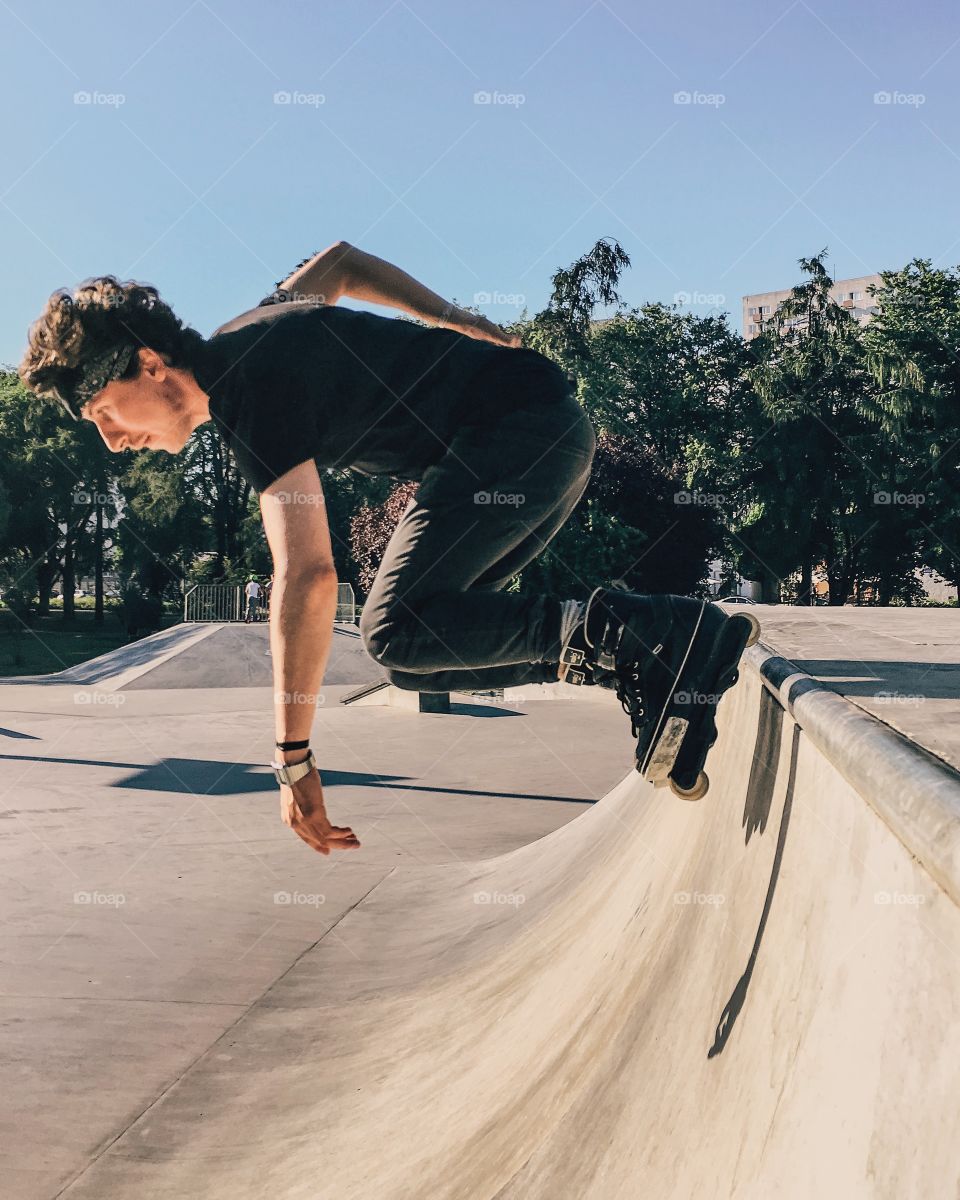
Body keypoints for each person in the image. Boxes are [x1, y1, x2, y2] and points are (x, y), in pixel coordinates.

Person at [17, 242, 757, 856]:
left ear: (148, 364)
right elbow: (338, 264)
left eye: (105, 414)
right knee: (417, 650)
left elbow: (305, 576)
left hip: (518, 437)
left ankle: (654, 633)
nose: (113, 442)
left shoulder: (246, 392)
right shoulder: (255, 328)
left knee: (395, 629)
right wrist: (452, 317)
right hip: (540, 440)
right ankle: (653, 655)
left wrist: (292, 758)